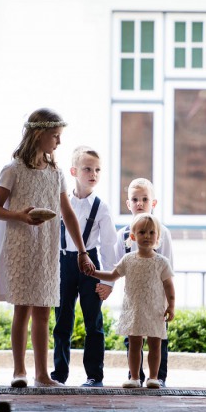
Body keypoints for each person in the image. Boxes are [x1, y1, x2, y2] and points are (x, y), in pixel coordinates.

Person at [0, 108, 95, 388]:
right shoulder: (13, 170)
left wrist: (82, 251)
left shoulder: (56, 173)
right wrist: (20, 216)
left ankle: (42, 374)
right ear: (39, 134)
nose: (58, 142)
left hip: (47, 248)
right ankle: (19, 371)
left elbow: (68, 213)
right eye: (55, 137)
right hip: (21, 247)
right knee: (21, 309)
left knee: (44, 311)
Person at [51, 146, 118, 387]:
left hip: (90, 265)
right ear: (73, 171)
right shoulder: (61, 202)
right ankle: (59, 374)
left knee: (94, 323)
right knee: (62, 321)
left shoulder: (101, 207)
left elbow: (110, 245)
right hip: (63, 263)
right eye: (88, 169)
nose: (94, 174)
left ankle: (94, 376)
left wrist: (108, 281)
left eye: (98, 170)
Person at [85, 213, 176, 389]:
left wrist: (171, 306)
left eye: (151, 233)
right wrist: (93, 272)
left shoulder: (162, 262)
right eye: (142, 232)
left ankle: (153, 377)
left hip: (155, 309)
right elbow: (112, 275)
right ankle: (134, 377)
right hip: (134, 309)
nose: (147, 236)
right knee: (134, 344)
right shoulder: (128, 259)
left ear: (158, 237)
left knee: (155, 345)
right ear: (133, 236)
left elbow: (169, 286)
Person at [111, 177, 174, 386]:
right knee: (133, 338)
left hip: (156, 297)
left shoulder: (162, 233)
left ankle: (158, 376)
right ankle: (134, 375)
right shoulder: (122, 236)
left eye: (145, 199)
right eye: (135, 199)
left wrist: (168, 302)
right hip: (135, 297)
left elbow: (167, 268)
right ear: (128, 204)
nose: (140, 203)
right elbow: (119, 266)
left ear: (153, 203)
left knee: (158, 338)